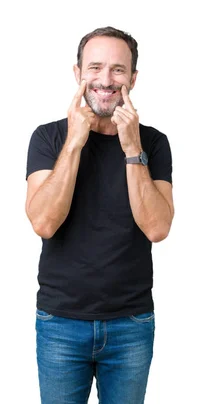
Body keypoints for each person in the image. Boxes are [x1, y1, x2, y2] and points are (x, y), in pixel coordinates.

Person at [25, 26, 174, 404]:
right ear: (78, 74)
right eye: (95, 68)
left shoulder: (153, 143)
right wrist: (75, 141)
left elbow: (158, 228)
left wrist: (131, 149)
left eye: (118, 70)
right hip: (60, 322)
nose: (105, 80)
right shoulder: (48, 138)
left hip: (131, 325)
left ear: (133, 79)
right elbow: (43, 222)